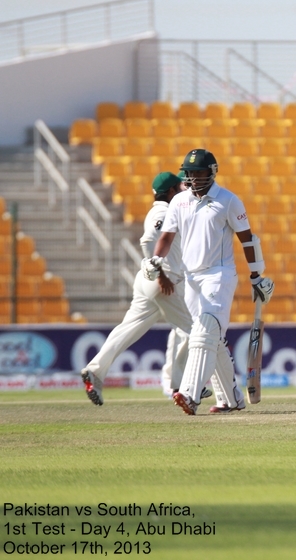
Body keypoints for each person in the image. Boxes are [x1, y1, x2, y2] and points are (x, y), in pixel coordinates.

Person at [144, 148, 274, 415]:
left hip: (219, 274)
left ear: (212, 172)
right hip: (191, 278)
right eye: (190, 173)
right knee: (211, 339)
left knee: (204, 333)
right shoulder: (179, 201)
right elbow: (167, 237)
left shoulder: (228, 200)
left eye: (200, 172)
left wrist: (256, 275)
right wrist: (155, 259)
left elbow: (248, 239)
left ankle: (190, 395)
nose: (195, 178)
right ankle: (231, 399)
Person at [81, 172, 201, 405]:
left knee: (128, 329)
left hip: (148, 281)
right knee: (195, 331)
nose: (184, 189)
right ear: (171, 192)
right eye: (180, 186)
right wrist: (161, 274)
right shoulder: (163, 212)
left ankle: (95, 371)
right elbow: (147, 241)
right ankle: (183, 385)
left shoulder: (159, 211)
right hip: (163, 282)